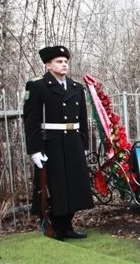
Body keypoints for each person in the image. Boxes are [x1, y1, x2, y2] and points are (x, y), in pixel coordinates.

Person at [23, 45, 94, 240]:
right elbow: (31, 120)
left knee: (74, 184)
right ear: (48, 65)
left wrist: (83, 145)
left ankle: (68, 226)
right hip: (51, 143)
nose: (63, 65)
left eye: (65, 62)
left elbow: (82, 118)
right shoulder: (37, 86)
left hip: (72, 142)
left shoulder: (75, 87)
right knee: (56, 186)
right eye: (58, 62)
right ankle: (54, 225)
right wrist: (35, 150)